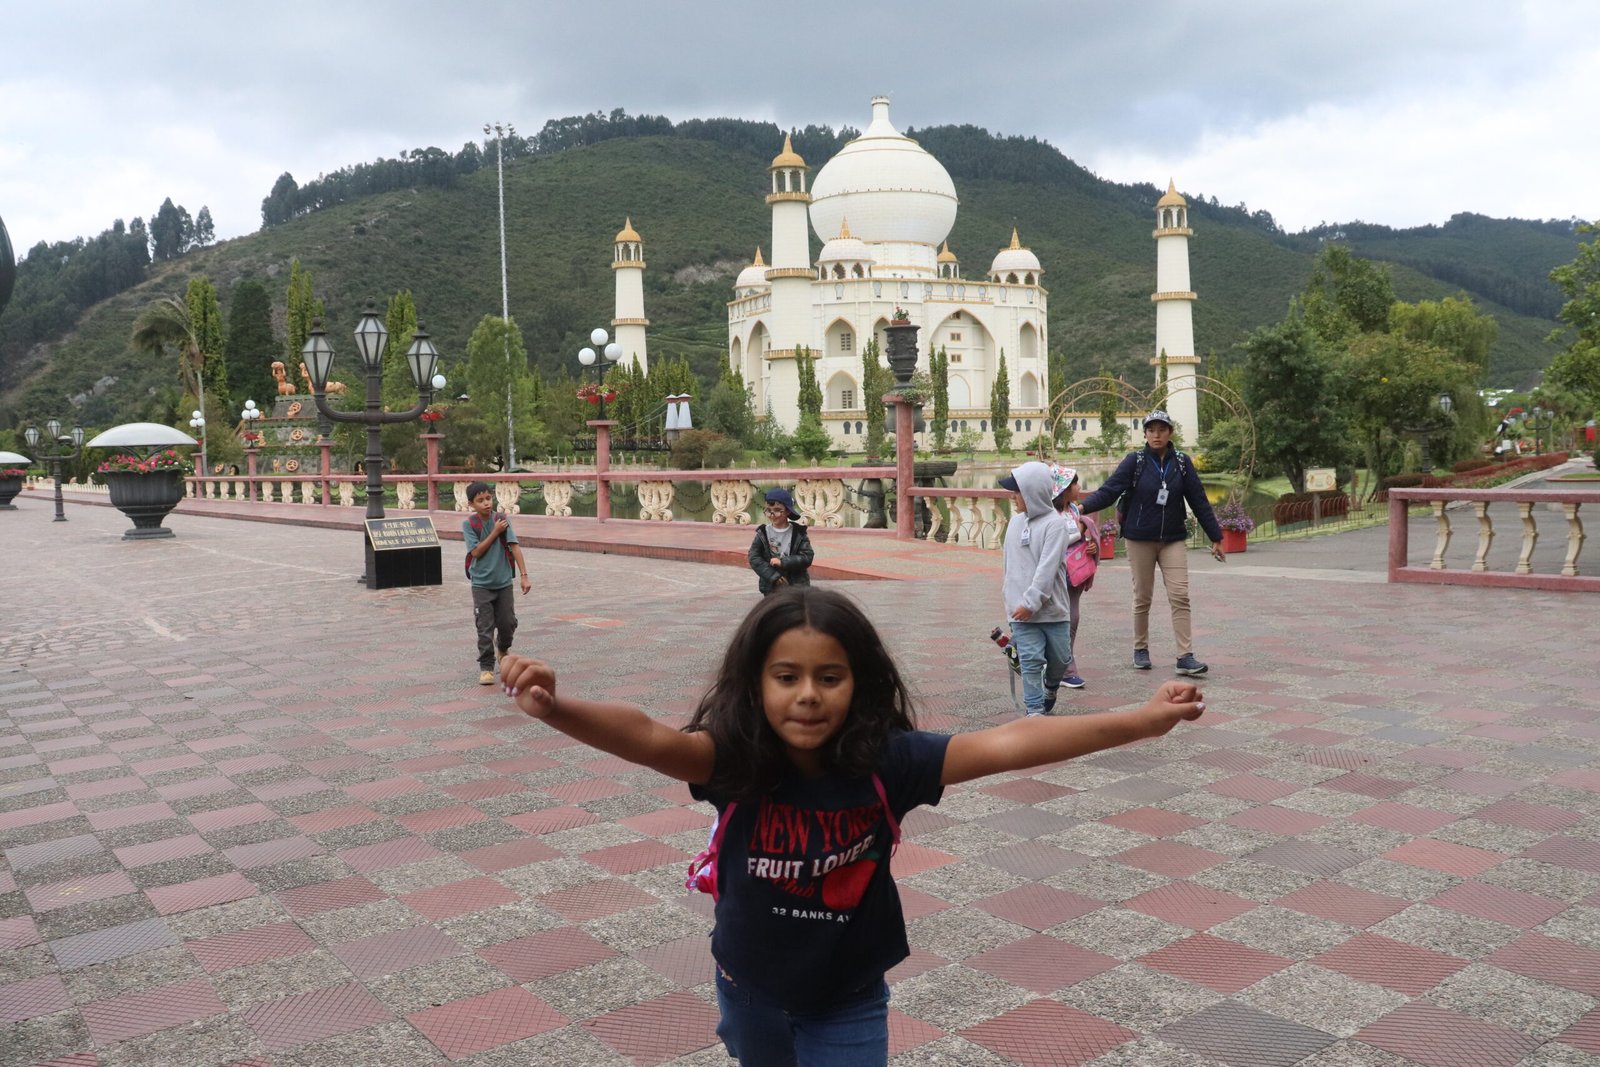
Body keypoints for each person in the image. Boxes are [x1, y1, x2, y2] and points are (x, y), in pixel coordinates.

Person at [499, 587, 1205, 1067]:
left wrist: (1145, 719)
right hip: (748, 988)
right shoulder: (736, 758)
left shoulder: (890, 763)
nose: (807, 694)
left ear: (857, 683)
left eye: (829, 676)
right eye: (786, 676)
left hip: (848, 996)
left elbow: (1012, 742)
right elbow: (651, 736)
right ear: (756, 683)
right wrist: (559, 707)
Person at [1078, 410, 1224, 676]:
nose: (1156, 435)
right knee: (1143, 597)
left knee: (1180, 595)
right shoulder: (1135, 461)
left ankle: (1185, 656)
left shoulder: (1181, 462)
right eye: (1151, 430)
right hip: (1139, 538)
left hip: (1172, 539)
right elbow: (1109, 491)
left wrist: (1216, 536)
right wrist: (1082, 507)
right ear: (1145, 434)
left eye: (1162, 430)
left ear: (1170, 433)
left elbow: (1198, 499)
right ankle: (1141, 649)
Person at [999, 461, 1072, 716]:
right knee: (1030, 660)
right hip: (1021, 611)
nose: (1014, 497)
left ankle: (1050, 687)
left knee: (1061, 659)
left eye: (1017, 491)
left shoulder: (1055, 525)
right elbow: (1009, 565)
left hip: (1053, 611)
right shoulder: (1015, 523)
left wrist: (1032, 602)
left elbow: (1047, 569)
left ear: (1032, 491)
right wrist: (1013, 601)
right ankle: (1034, 711)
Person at [462, 481, 531, 685]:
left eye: (488, 498)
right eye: (480, 500)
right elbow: (476, 552)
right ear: (471, 504)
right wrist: (494, 532)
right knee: (484, 627)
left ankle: (503, 647)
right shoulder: (469, 525)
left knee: (507, 622)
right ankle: (486, 666)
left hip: (503, 583)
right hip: (481, 584)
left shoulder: (501, 519)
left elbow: (515, 547)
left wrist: (524, 575)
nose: (485, 503)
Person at [1049, 463, 1096, 694]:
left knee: (1073, 619)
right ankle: (1065, 670)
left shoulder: (1074, 511)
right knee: (1062, 619)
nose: (1079, 487)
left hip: (1075, 574)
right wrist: (1080, 531)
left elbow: (1078, 541)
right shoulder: (1051, 514)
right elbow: (1055, 542)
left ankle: (1062, 666)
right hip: (1057, 574)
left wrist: (1090, 546)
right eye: (1075, 483)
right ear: (1065, 488)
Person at [749, 487, 814, 595]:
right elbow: (754, 557)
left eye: (777, 510)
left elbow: (807, 556)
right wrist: (772, 576)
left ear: (788, 511)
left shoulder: (799, 533)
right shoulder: (763, 533)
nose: (772, 515)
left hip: (797, 586)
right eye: (769, 511)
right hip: (771, 587)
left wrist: (783, 562)